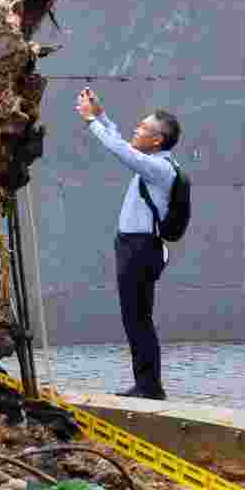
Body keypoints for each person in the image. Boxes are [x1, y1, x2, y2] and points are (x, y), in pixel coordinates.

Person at [75, 87, 181, 400]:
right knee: (135, 316)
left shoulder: (157, 168)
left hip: (140, 249)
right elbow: (123, 141)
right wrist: (102, 115)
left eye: (143, 127)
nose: (137, 129)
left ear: (157, 140)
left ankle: (149, 386)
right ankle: (147, 384)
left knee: (137, 317)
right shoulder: (154, 161)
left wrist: (92, 122)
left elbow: (120, 149)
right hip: (134, 246)